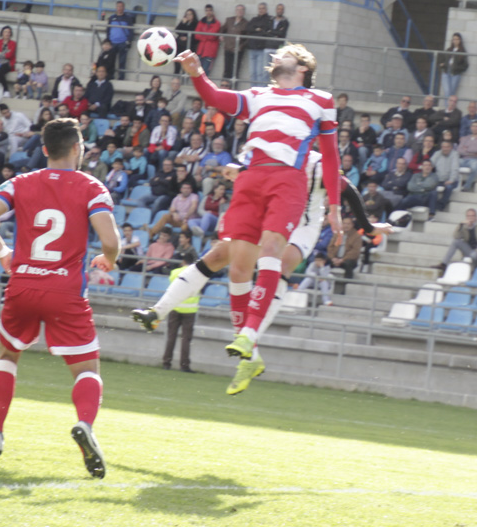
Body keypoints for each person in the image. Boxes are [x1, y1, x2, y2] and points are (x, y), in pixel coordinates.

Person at [130, 150, 390, 395]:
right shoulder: (266, 148)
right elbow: (244, 170)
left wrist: (368, 227)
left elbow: (346, 188)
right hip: (267, 219)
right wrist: (234, 170)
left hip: (302, 226)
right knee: (220, 256)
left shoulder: (313, 162)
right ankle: (158, 312)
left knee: (283, 263)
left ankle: (248, 337)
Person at [0, 118, 120, 479]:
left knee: (8, 355)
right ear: (75, 149)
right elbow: (111, 242)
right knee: (86, 369)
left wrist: (3, 252)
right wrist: (108, 259)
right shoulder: (92, 186)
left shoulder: (19, 183)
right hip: (65, 291)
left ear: (45, 149)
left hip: (22, 286)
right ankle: (85, 424)